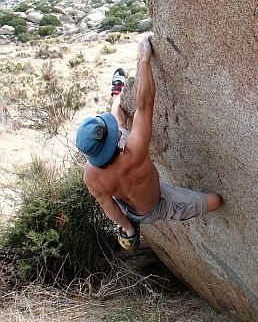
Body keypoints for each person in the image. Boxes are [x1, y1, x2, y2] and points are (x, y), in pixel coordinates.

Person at [75, 35, 222, 251]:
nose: (117, 133)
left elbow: (109, 206)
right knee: (215, 201)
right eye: (114, 134)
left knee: (118, 119)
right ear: (114, 142)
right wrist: (145, 60)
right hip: (158, 205)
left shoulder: (91, 176)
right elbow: (145, 105)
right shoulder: (135, 152)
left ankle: (116, 92)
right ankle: (116, 96)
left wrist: (128, 228)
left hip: (131, 210)